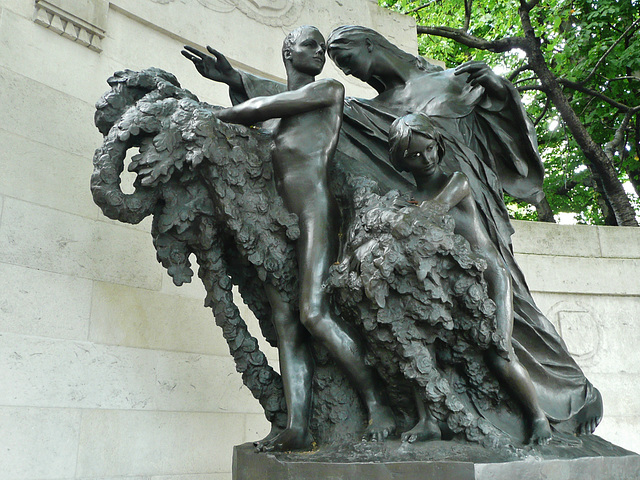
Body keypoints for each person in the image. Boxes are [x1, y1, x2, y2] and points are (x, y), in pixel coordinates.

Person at [182, 25, 602, 438]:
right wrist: (239, 80)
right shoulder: (373, 105)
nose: (352, 72)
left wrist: (498, 89)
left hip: (466, 194)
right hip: (421, 206)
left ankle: (566, 393)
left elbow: (505, 133)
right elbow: (297, 105)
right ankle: (443, 410)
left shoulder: (447, 80)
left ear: (371, 44)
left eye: (350, 60)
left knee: (507, 303)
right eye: (344, 67)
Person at [183, 26, 395, 451]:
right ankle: (298, 427)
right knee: (287, 320)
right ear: (288, 51)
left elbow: (263, 105)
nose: (321, 53)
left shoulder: (328, 91)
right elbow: (259, 117)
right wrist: (232, 82)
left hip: (316, 212)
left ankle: (381, 404)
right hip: (281, 218)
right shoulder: (283, 116)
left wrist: (206, 115)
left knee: (314, 313)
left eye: (322, 47)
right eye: (311, 45)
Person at [389, 113, 552, 444]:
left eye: (430, 148)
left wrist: (397, 216)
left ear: (439, 145)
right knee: (417, 346)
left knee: (500, 351)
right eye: (415, 155)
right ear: (402, 162)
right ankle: (429, 420)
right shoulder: (408, 197)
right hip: (448, 287)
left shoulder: (457, 182)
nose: (426, 159)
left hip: (490, 278)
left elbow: (432, 212)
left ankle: (538, 418)